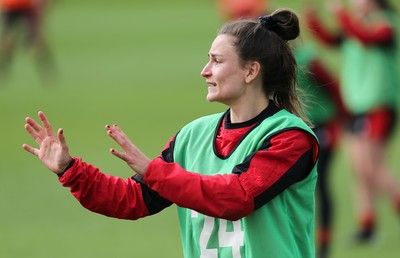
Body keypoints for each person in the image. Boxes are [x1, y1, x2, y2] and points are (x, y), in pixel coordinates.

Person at [23, 8, 320, 257]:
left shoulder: (290, 137)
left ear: (250, 71)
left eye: (217, 61)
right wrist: (70, 170)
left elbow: (237, 197)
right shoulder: (194, 136)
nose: (205, 70)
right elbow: (132, 198)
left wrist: (156, 172)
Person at [306, 0, 400, 244]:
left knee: (374, 167)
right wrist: (312, 16)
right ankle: (367, 225)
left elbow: (365, 37)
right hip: (355, 108)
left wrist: (339, 13)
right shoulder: (355, 26)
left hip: (378, 106)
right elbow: (328, 39)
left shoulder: (386, 24)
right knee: (359, 168)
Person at [294, 41, 347, 257]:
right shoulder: (271, 62)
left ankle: (324, 245)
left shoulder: (308, 59)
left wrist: (344, 118)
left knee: (320, 183)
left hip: (321, 127)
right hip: (296, 131)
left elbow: (333, 87)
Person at [0, 0, 55, 80]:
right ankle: (3, 71)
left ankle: (48, 69)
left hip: (27, 6)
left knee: (36, 41)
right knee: (7, 42)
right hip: (10, 7)